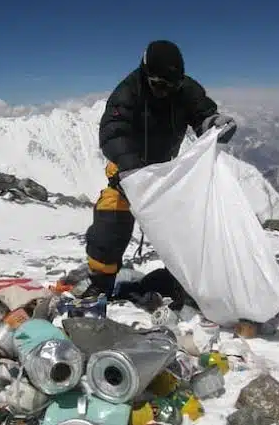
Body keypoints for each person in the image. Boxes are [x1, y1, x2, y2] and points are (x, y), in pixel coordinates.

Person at [79, 39, 237, 299]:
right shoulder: (127, 93)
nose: (166, 91)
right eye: (159, 85)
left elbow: (202, 114)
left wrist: (214, 123)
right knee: (111, 218)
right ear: (145, 74)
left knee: (188, 224)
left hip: (166, 173)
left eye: (172, 85)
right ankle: (101, 282)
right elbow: (112, 133)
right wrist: (130, 168)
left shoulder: (186, 90)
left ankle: (184, 281)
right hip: (128, 173)